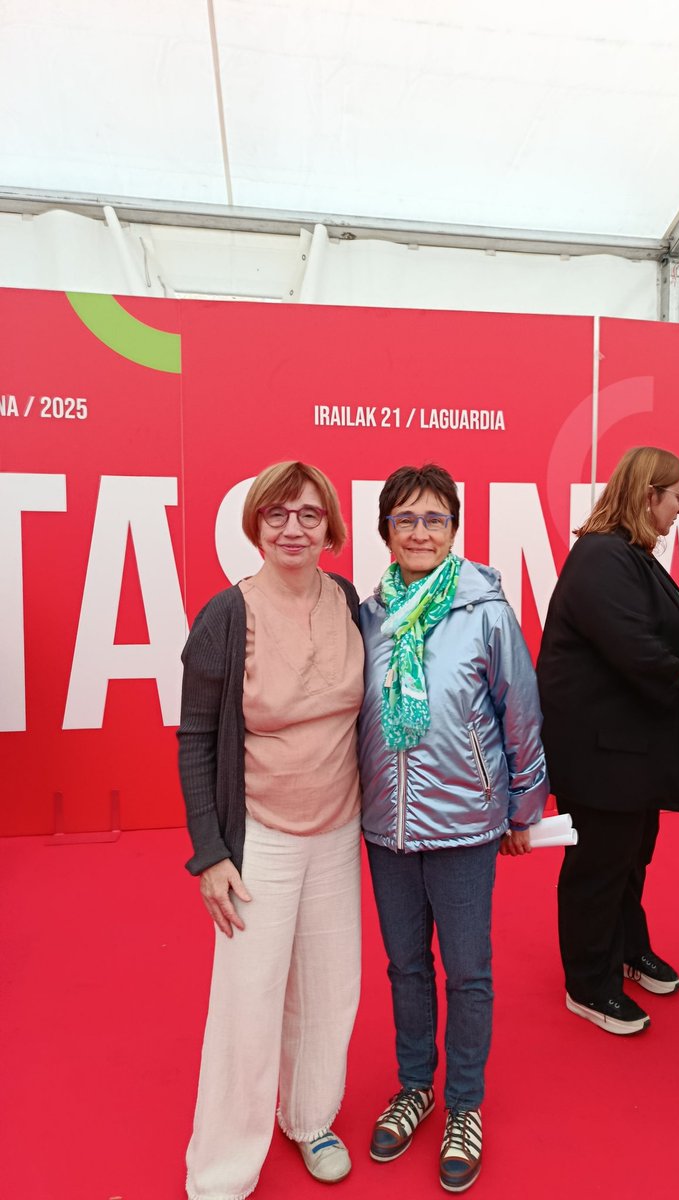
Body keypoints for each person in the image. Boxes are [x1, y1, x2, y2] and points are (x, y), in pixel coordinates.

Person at [357, 463, 547, 1193]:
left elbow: (520, 712)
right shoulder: (368, 614)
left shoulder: (484, 610)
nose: (420, 532)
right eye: (405, 519)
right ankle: (416, 1086)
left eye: (434, 518)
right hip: (386, 828)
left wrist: (523, 808)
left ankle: (464, 1103)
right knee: (405, 967)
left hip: (467, 823)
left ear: (454, 528)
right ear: (385, 530)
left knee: (467, 972)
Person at [177, 461, 364, 1197]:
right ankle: (223, 1163)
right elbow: (196, 738)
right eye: (279, 514)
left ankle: (311, 1118)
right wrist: (211, 853)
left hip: (340, 829)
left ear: (330, 529)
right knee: (248, 999)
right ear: (256, 523)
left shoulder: (347, 599)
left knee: (329, 988)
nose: (294, 528)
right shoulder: (227, 615)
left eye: (309, 515)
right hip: (262, 836)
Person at [536, 446, 679, 1036]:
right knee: (599, 864)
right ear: (649, 496)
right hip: (601, 748)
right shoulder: (602, 556)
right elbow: (630, 645)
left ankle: (626, 947)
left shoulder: (628, 555)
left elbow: (643, 627)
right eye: (678, 498)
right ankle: (588, 983)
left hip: (628, 744)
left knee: (630, 855)